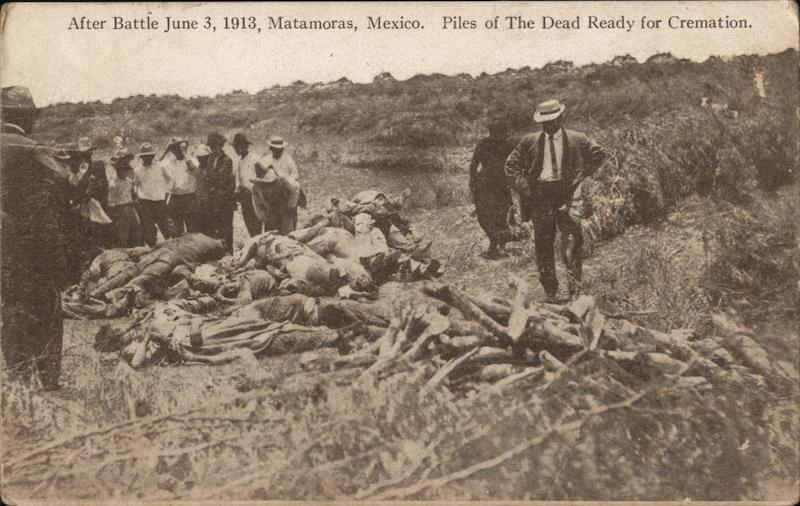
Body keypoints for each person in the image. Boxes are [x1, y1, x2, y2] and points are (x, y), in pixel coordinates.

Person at [0, 86, 83, 389]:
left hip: (4, 244)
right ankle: (46, 378)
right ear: (27, 116)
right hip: (36, 244)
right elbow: (66, 181)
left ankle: (18, 375)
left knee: (12, 306)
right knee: (47, 307)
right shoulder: (31, 148)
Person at [504, 99, 606, 302]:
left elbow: (599, 154)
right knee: (543, 244)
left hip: (568, 195)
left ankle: (575, 290)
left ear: (561, 118)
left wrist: (581, 174)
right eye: (544, 122)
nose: (549, 126)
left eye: (552, 120)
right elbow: (510, 165)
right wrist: (525, 187)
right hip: (540, 196)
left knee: (572, 242)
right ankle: (550, 291)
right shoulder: (530, 140)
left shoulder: (577, 138)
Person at [469, 118, 519, 259]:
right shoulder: (501, 144)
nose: (497, 134)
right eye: (495, 132)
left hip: (496, 184)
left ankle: (497, 246)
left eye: (499, 132)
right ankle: (496, 245)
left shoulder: (507, 144)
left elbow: (473, 165)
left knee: (497, 215)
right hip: (489, 183)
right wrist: (472, 181)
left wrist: (472, 181)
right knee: (488, 216)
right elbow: (473, 164)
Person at [195, 133, 236, 253]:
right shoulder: (211, 159)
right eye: (211, 146)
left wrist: (209, 179)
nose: (213, 148)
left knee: (226, 229)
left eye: (215, 146)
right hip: (212, 201)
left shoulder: (227, 160)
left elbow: (219, 179)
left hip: (224, 201)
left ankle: (228, 252)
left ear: (221, 146)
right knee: (212, 228)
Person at [134, 142, 177, 246]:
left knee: (166, 225)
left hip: (160, 200)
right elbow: (136, 184)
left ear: (153, 156)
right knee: (149, 227)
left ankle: (174, 246)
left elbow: (171, 180)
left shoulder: (160, 166)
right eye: (145, 156)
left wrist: (168, 193)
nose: (147, 158)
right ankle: (153, 247)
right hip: (145, 201)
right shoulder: (137, 170)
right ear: (141, 157)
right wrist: (138, 196)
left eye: (149, 156)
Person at [249, 164, 301, 235]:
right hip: (270, 214)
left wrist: (291, 206)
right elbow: (257, 205)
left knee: (288, 236)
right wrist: (264, 218)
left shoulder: (281, 179)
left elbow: (295, 187)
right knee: (271, 238)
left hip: (285, 211)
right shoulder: (255, 188)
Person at [106, 148, 143, 247]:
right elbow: (111, 203)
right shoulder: (113, 184)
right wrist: (111, 218)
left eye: (125, 169)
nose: (123, 172)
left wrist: (135, 202)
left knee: (136, 229)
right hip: (120, 209)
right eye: (121, 170)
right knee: (123, 233)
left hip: (131, 207)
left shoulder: (129, 181)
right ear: (117, 170)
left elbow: (132, 194)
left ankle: (137, 249)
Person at [161, 138, 197, 234]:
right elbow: (157, 165)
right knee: (177, 228)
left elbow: (193, 168)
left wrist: (185, 154)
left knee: (192, 227)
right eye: (176, 149)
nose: (179, 151)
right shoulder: (168, 162)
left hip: (189, 196)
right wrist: (166, 151)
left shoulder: (191, 160)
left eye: (182, 149)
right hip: (175, 197)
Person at [232, 133, 264, 236]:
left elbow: (262, 177)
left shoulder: (255, 158)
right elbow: (240, 180)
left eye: (238, 147)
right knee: (249, 222)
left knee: (256, 222)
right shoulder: (239, 161)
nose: (236, 149)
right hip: (244, 196)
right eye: (235, 147)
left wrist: (252, 188)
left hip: (255, 195)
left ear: (245, 146)